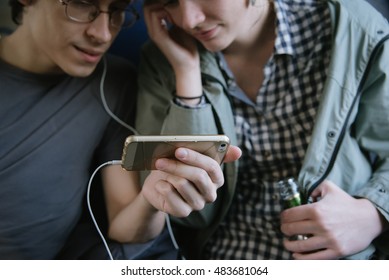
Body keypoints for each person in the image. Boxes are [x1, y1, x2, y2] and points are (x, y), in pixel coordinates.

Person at [135, 0, 389, 260]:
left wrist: (374, 213)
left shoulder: (352, 31)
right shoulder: (162, 59)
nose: (189, 20)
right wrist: (186, 73)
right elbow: (188, 211)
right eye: (170, 2)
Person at [0, 0, 240, 260]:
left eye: (117, 10)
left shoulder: (113, 85)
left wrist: (151, 200)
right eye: (81, 4)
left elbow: (125, 228)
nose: (103, 34)